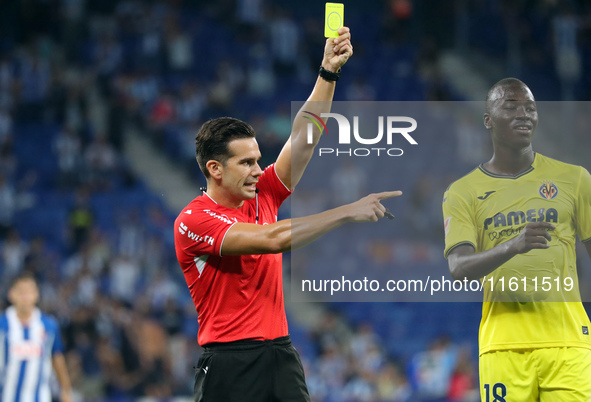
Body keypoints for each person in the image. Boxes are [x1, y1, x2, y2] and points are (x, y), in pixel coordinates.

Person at [174, 27, 401, 402]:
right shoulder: (194, 220)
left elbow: (306, 136)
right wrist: (347, 211)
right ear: (215, 169)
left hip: (280, 355)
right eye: (246, 163)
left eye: (258, 160)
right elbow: (271, 239)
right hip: (229, 363)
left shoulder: (263, 192)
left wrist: (328, 72)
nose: (257, 170)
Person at [443, 78, 591, 401]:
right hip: (503, 346)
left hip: (567, 342)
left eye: (530, 108)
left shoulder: (575, 179)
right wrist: (514, 245)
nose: (524, 114)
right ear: (488, 120)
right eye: (510, 107)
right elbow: (458, 267)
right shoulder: (462, 193)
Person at [0, 272, 73, 402]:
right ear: (11, 294)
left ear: (37, 294)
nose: (25, 296)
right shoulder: (3, 325)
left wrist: (66, 390)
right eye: (21, 291)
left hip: (40, 397)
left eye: (29, 291)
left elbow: (57, 358)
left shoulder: (49, 325)